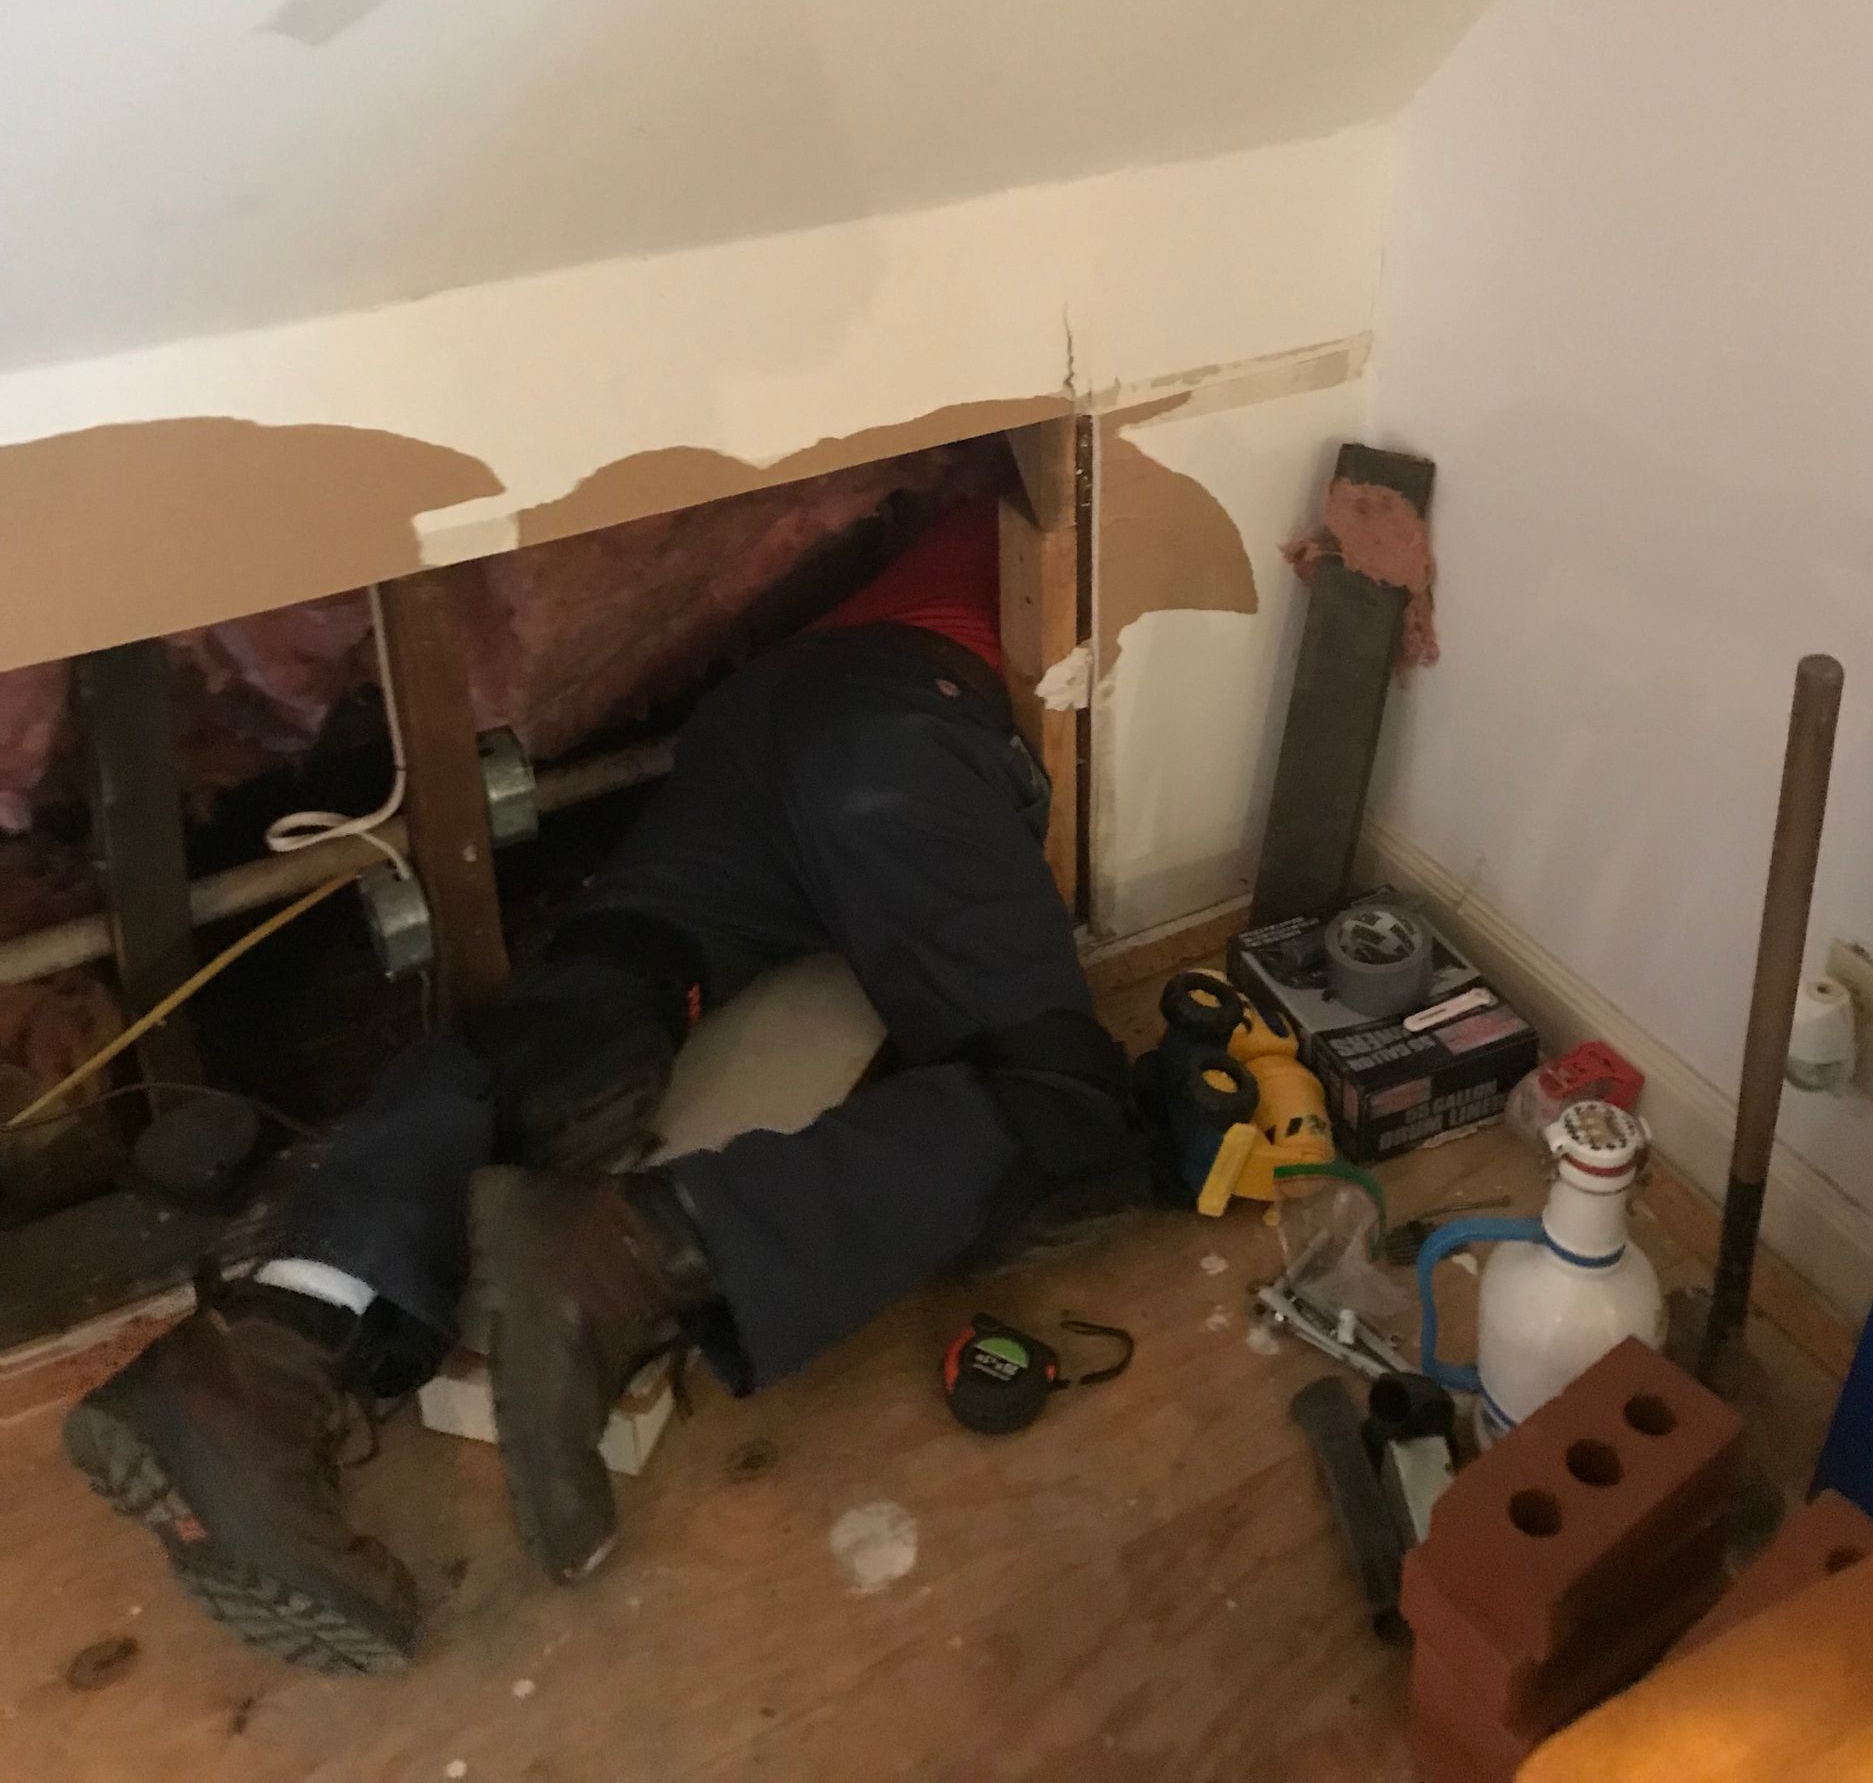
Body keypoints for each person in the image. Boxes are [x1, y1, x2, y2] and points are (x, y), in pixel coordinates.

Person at [62, 497, 1145, 1674]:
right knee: (1067, 1113)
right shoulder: (1099, 514)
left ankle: (276, 1342)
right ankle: (636, 1250)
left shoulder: (957, 530)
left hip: (755, 735)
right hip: (896, 722)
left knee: (587, 1034)